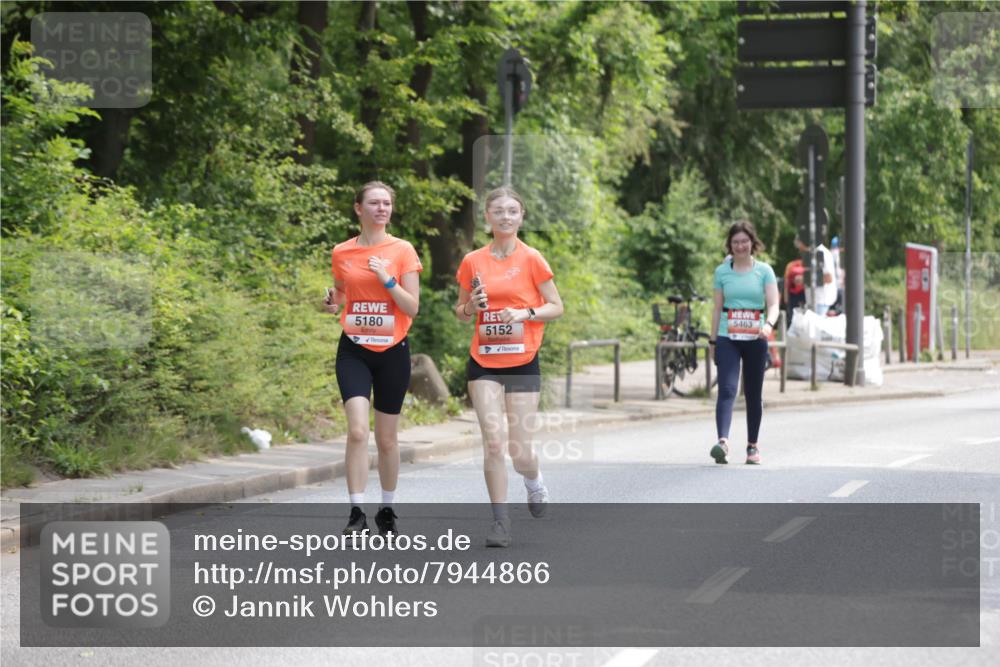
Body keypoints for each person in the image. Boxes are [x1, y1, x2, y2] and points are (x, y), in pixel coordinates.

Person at [454, 187, 564, 547]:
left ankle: (533, 482)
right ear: (486, 217)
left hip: (522, 359)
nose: (505, 216)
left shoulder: (532, 258)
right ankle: (500, 522)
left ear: (521, 217)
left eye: (512, 211)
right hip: (484, 360)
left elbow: (556, 306)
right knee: (493, 442)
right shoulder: (473, 261)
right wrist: (471, 305)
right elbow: (460, 313)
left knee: (519, 450)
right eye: (497, 211)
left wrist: (524, 313)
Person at [324, 181, 422, 536]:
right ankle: (355, 511)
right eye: (374, 203)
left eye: (386, 204)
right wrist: (333, 302)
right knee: (355, 430)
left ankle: (387, 508)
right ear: (358, 209)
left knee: (387, 439)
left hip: (393, 351)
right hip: (354, 349)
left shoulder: (402, 250)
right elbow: (340, 293)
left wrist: (388, 280)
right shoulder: (342, 252)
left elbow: (413, 306)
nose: (382, 209)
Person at [709, 220, 780, 465]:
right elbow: (717, 308)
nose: (740, 246)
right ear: (730, 245)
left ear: (752, 243)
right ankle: (723, 443)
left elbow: (773, 304)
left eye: (744, 241)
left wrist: (768, 326)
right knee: (727, 389)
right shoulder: (721, 272)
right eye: (735, 242)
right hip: (728, 336)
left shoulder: (764, 271)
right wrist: (712, 340)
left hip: (755, 337)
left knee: (752, 393)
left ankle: (752, 446)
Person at [794, 236, 837, 316]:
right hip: (815, 301)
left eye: (800, 246)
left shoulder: (821, 252)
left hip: (821, 301)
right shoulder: (812, 253)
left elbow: (828, 278)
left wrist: (804, 279)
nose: (800, 250)